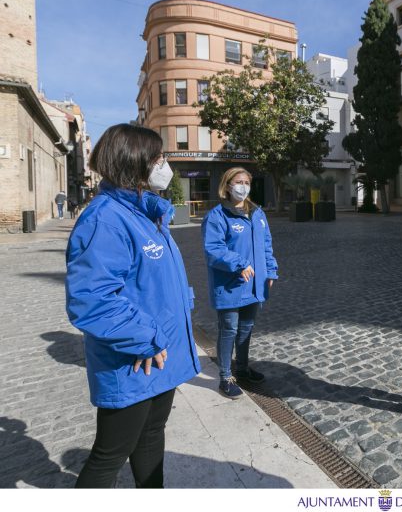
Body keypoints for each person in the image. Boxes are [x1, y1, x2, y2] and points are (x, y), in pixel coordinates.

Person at [65, 124, 200, 488]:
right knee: (110, 455)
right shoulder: (105, 218)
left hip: (160, 351)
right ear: (134, 162)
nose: (164, 164)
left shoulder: (147, 213)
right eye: (158, 158)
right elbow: (92, 300)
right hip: (133, 358)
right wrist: (144, 339)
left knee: (153, 434)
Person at [202, 167, 278, 399]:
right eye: (238, 182)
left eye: (247, 182)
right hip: (230, 285)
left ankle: (243, 368)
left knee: (246, 328)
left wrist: (271, 271)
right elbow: (213, 249)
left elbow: (266, 245)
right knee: (229, 329)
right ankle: (226, 376)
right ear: (227, 185)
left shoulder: (257, 213)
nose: (243, 186)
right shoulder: (216, 216)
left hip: (255, 284)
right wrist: (239, 263)